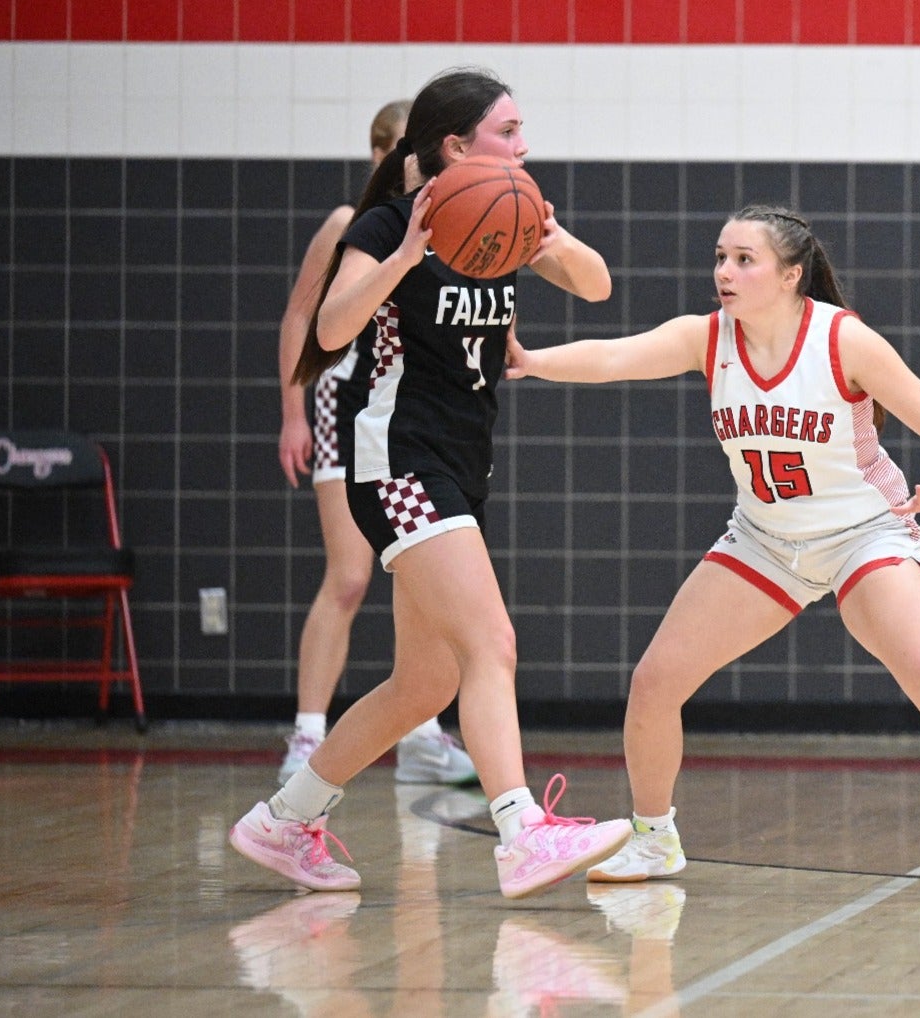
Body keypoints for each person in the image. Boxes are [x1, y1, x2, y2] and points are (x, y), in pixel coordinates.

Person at [504, 203, 920, 884]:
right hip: (765, 541)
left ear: (791, 274)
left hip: (864, 534)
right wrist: (530, 361)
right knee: (654, 683)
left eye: (744, 259)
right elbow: (614, 357)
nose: (725, 271)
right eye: (720, 256)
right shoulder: (707, 337)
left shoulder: (842, 340)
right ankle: (655, 839)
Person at [230, 66, 632, 899]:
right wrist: (411, 248)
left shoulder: (510, 215)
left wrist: (549, 236)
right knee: (492, 645)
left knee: (426, 682)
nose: (524, 146)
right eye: (509, 132)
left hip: (460, 463)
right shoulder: (383, 224)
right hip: (397, 462)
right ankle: (522, 830)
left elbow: (597, 284)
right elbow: (332, 327)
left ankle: (284, 819)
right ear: (456, 145)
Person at [276, 98, 476, 788]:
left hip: (405, 411)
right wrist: (292, 411)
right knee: (351, 574)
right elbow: (303, 315)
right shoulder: (352, 225)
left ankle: (419, 733)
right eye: (397, 146)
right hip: (344, 398)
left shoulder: (452, 221)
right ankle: (307, 735)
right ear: (383, 154)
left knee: (413, 577)